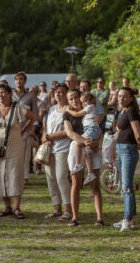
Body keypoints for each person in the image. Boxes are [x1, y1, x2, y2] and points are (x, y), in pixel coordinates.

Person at [0, 84, 36, 219]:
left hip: (15, 145)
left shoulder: (18, 108)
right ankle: (7, 206)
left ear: (9, 94)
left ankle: (17, 207)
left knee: (14, 173)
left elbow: (33, 118)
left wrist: (22, 131)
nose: (1, 95)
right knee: (0, 173)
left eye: (3, 92)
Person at [64, 89, 104, 226]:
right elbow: (70, 133)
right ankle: (75, 217)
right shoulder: (67, 115)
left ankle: (100, 217)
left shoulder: (89, 109)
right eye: (71, 99)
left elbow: (98, 129)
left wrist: (96, 143)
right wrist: (84, 141)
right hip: (78, 147)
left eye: (76, 97)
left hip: (92, 147)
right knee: (76, 184)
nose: (74, 101)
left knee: (95, 185)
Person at [112, 87, 140, 232]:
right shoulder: (123, 111)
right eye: (119, 96)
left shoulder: (131, 111)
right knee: (126, 185)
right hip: (121, 149)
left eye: (124, 96)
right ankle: (130, 217)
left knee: (126, 186)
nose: (121, 99)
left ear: (131, 98)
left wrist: (139, 143)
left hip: (128, 150)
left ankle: (127, 219)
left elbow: (137, 131)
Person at [42, 83, 72, 221]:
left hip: (63, 149)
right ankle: (57, 208)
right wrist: (44, 137)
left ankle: (68, 209)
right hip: (49, 149)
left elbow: (68, 132)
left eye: (61, 92)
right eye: (56, 92)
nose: (58, 94)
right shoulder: (52, 109)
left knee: (61, 178)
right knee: (51, 178)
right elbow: (46, 128)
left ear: (66, 94)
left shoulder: (69, 110)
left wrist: (50, 137)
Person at [66, 92, 100, 185]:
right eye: (82, 102)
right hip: (91, 130)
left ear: (91, 100)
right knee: (86, 152)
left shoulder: (90, 107)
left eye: (85, 101)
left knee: (77, 144)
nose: (83, 103)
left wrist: (68, 110)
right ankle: (90, 173)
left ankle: (77, 165)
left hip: (91, 130)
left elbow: (77, 114)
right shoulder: (90, 108)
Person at [12, 72, 39, 184]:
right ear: (14, 81)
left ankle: (24, 177)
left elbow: (35, 114)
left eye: (21, 79)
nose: (19, 81)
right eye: (17, 79)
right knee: (13, 154)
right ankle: (14, 176)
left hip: (26, 129)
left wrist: (33, 130)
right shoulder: (10, 94)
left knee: (25, 154)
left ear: (25, 81)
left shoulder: (31, 96)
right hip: (12, 129)